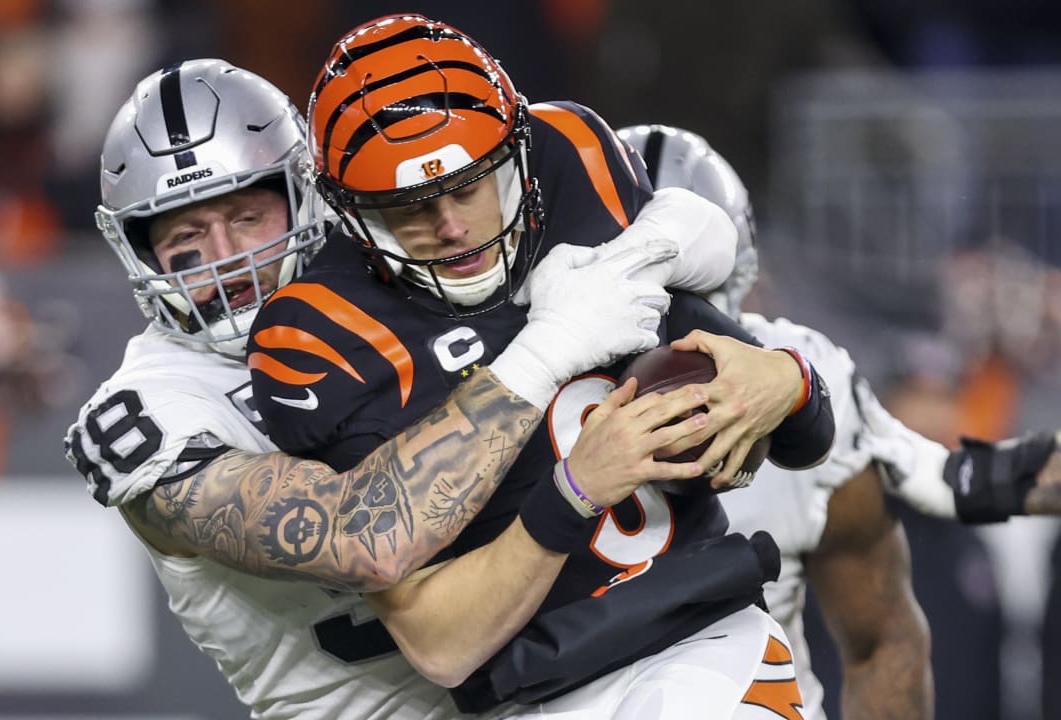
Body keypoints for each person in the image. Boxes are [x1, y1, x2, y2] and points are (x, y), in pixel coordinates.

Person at [65, 58, 745, 720]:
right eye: (186, 232)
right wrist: (550, 347)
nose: (224, 256)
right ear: (135, 249)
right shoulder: (150, 413)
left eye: (247, 217)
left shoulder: (406, 262)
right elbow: (363, 542)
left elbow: (654, 216)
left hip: (565, 676)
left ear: (310, 192)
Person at [249, 14, 836, 717]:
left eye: (469, 186)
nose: (452, 226)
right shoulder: (315, 333)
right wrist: (575, 488)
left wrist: (787, 379)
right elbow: (440, 645)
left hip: (697, 634)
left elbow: (802, 428)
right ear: (350, 215)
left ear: (518, 154)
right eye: (409, 208)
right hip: (523, 694)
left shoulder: (570, 156)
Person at [622, 122, 1061, 720]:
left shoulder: (800, 390)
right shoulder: (513, 397)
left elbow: (884, 641)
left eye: (694, 289)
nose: (672, 324)